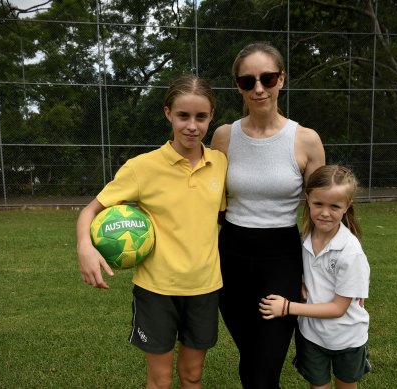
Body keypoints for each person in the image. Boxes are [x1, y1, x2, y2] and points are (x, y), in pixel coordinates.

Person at [76, 75, 227, 389]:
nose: (192, 126)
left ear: (211, 116)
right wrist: (84, 247)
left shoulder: (220, 163)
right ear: (168, 113)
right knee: (159, 380)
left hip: (205, 287)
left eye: (201, 117)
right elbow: (90, 210)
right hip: (156, 290)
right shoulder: (141, 167)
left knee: (193, 376)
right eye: (183, 115)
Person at [210, 41, 326, 388]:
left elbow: (320, 213)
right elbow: (210, 201)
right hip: (230, 258)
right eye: (248, 81)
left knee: (263, 369)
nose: (258, 88)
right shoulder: (224, 137)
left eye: (267, 78)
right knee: (251, 363)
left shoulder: (306, 140)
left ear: (281, 79)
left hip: (281, 260)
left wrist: (323, 271)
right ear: (238, 86)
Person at [259, 165, 371, 389]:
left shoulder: (350, 251)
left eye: (334, 206)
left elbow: (338, 308)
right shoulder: (305, 236)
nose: (325, 212)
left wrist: (287, 308)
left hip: (346, 338)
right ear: (307, 199)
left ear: (347, 206)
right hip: (312, 336)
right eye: (318, 204)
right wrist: (301, 277)